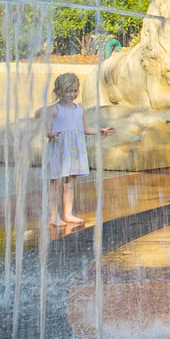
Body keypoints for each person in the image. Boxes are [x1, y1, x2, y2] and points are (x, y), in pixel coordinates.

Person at [41, 72, 110, 229]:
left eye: (75, 91)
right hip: (59, 151)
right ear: (59, 91)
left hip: (74, 152)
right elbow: (47, 130)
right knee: (55, 184)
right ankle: (53, 216)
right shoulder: (53, 110)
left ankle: (68, 213)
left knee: (70, 184)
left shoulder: (80, 109)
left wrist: (101, 130)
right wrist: (50, 135)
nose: (72, 94)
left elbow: (84, 128)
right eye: (68, 91)